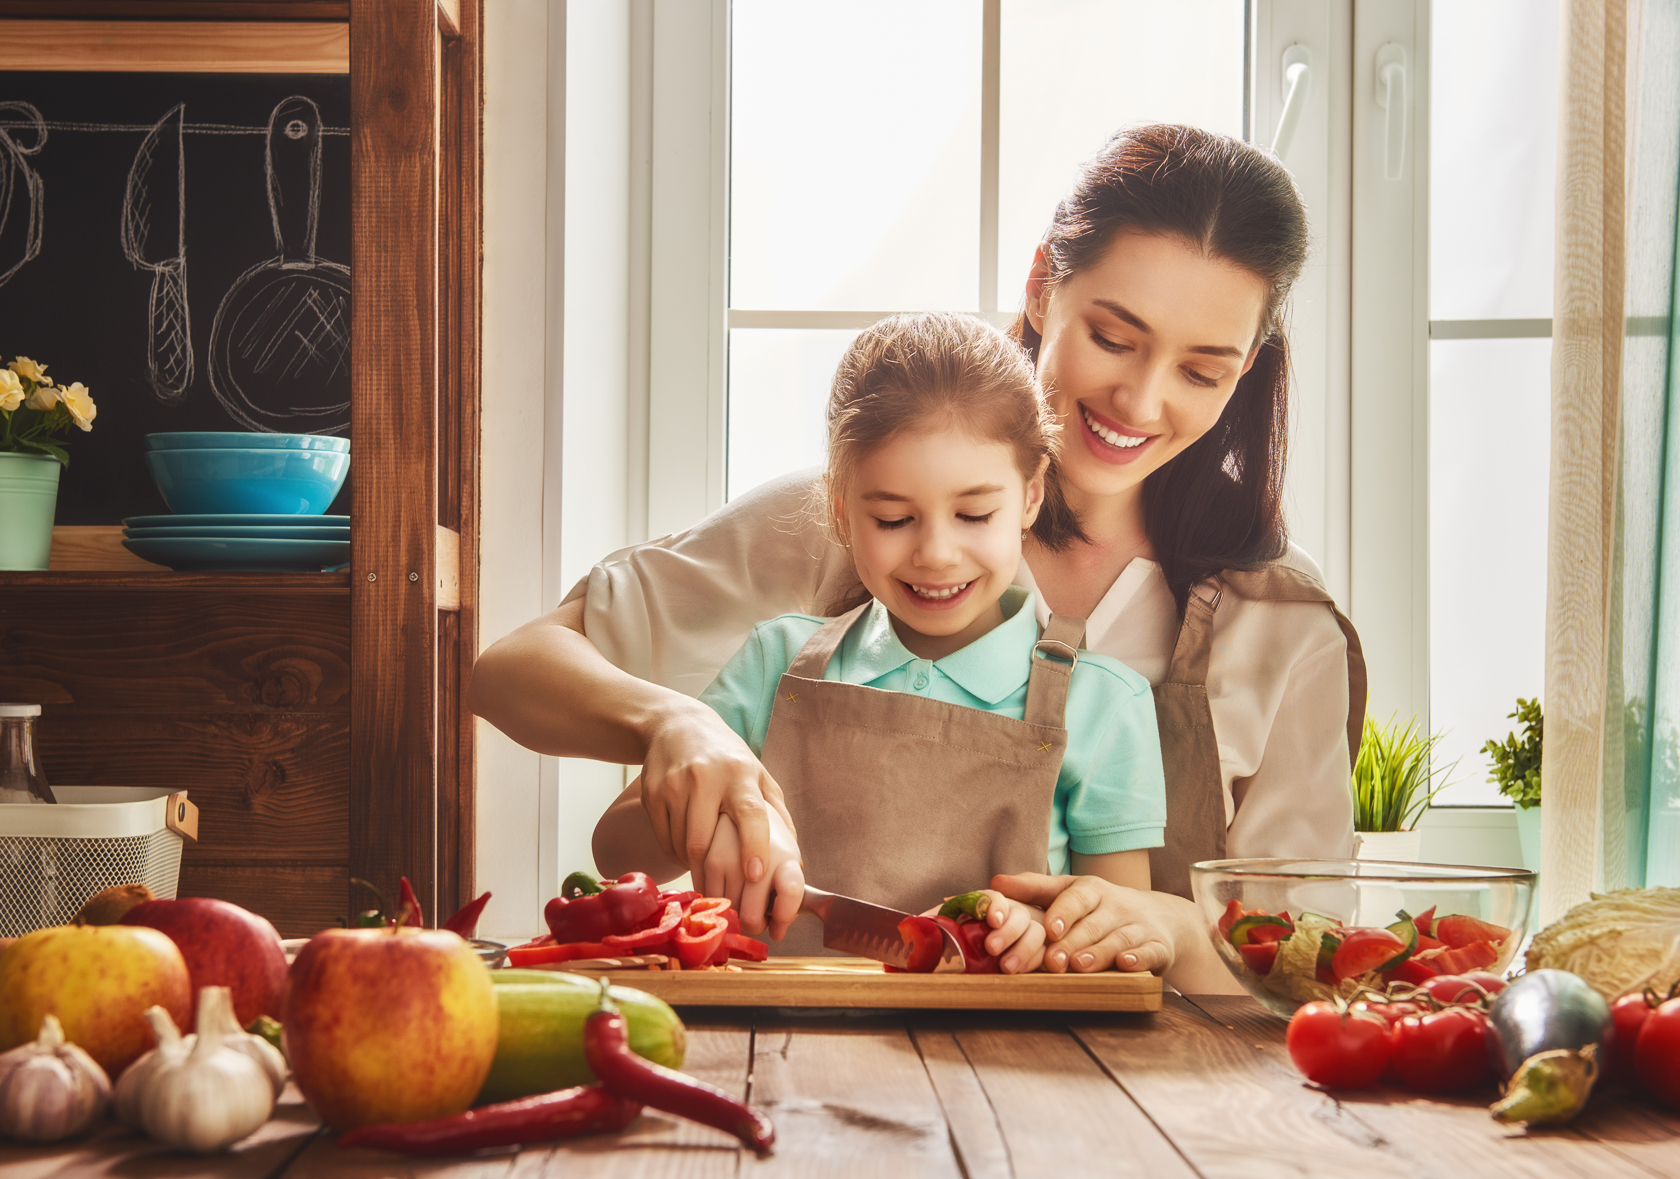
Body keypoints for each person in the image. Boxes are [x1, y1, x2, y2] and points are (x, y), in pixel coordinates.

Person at [468, 125, 1366, 992]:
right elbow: (512, 670)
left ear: (1246, 368)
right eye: (1113, 338)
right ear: (1043, 287)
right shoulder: (837, 521)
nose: (1140, 397)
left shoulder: (1281, 623)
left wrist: (1167, 923)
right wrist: (673, 724)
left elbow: (1307, 958)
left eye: (1201, 371)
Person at [591, 313, 1167, 966]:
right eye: (894, 517)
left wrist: (1048, 933)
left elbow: (1123, 950)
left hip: (1006, 1061)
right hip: (777, 1053)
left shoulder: (1103, 704)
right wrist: (706, 815)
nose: (937, 553)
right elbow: (614, 851)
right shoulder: (775, 663)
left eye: (975, 513)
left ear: (1031, 494)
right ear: (841, 505)